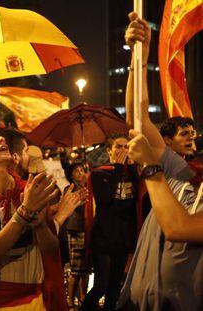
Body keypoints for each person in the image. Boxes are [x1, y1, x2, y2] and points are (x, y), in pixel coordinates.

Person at [118, 12, 203, 310]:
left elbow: (179, 227)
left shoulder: (168, 171)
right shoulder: (186, 171)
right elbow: (138, 120)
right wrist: (138, 57)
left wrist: (151, 170)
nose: (193, 140)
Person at [0, 128, 79, 310]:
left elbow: (52, 248)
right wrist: (24, 213)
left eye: (0, 137)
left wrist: (39, 226)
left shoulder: (30, 190)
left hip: (38, 301)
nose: (0, 139)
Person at [81, 134, 141, 311]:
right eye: (119, 147)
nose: (123, 150)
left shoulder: (133, 173)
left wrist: (130, 170)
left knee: (115, 289)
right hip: (104, 240)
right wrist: (117, 168)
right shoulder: (100, 173)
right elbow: (105, 200)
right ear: (109, 151)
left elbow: (138, 198)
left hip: (123, 239)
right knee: (101, 286)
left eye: (126, 147)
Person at [128, 130, 203, 243]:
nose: (191, 138)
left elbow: (177, 229)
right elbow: (145, 129)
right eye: (183, 134)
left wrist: (149, 166)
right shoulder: (186, 173)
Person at [63, 162, 89, 310]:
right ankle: (71, 302)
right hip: (75, 229)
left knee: (84, 269)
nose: (80, 173)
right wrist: (81, 200)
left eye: (82, 170)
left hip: (87, 229)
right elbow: (70, 205)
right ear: (71, 175)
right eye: (76, 171)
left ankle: (83, 299)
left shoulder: (88, 187)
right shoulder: (70, 188)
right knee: (75, 270)